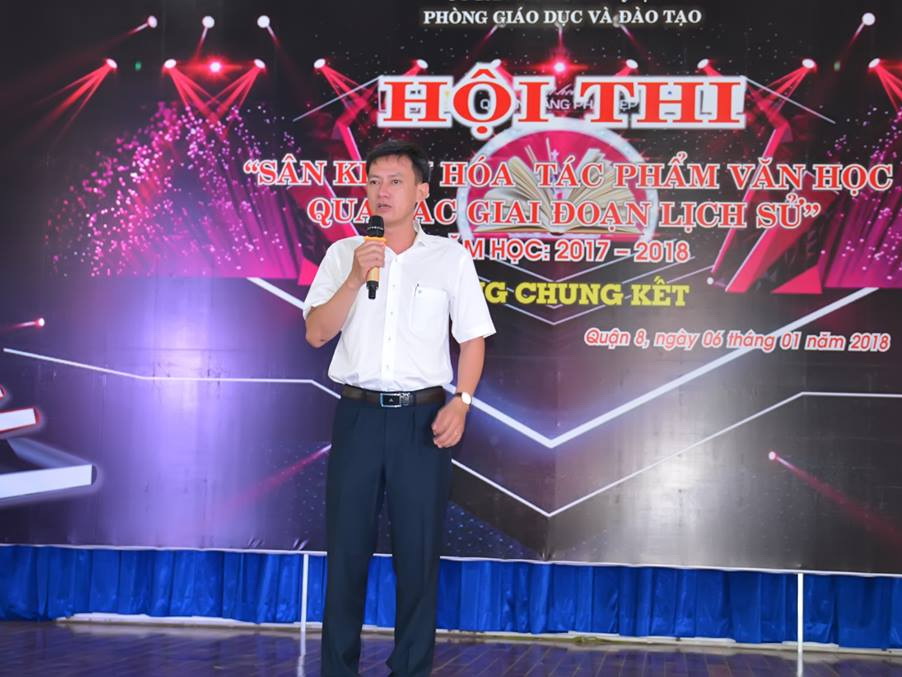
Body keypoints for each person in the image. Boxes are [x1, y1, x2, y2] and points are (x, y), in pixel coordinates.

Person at [303, 139, 495, 676]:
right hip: (358, 417)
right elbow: (316, 332)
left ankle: (410, 668)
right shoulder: (344, 253)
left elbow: (473, 338)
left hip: (422, 421)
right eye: (373, 182)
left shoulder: (449, 258)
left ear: (421, 192)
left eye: (395, 181)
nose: (382, 192)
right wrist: (353, 277)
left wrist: (462, 402)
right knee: (346, 552)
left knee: (418, 552)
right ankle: (337, 668)